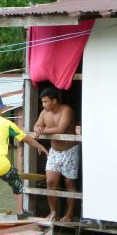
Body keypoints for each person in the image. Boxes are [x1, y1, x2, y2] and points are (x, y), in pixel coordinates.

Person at [33, 87, 80, 222]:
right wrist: (37, 129)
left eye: (46, 102)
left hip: (70, 151)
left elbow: (60, 129)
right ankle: (54, 213)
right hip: (54, 151)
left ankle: (69, 215)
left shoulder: (66, 110)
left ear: (54, 101)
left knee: (69, 183)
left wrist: (43, 130)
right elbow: (36, 126)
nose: (44, 105)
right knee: (50, 182)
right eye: (42, 102)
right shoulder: (44, 113)